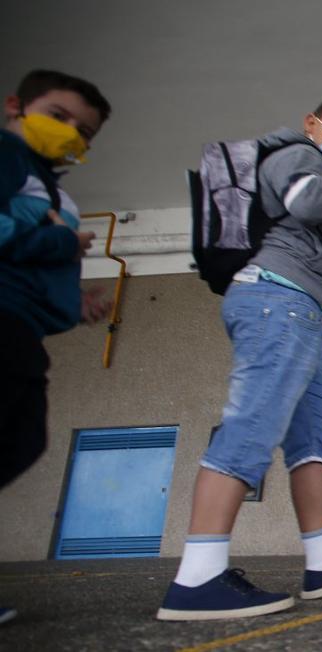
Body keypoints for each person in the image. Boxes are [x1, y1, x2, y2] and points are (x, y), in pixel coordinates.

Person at [157, 93, 322, 621]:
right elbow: (306, 200)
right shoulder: (299, 154)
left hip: (299, 314)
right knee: (252, 426)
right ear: (313, 124)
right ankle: (198, 577)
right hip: (279, 304)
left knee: (314, 437)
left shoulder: (314, 161)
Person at [0, 68, 113, 627]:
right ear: (16, 106)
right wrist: (59, 240)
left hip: (24, 327)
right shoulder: (7, 157)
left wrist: (77, 301)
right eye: (59, 116)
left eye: (84, 131)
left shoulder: (49, 186)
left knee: (23, 440)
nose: (71, 133)